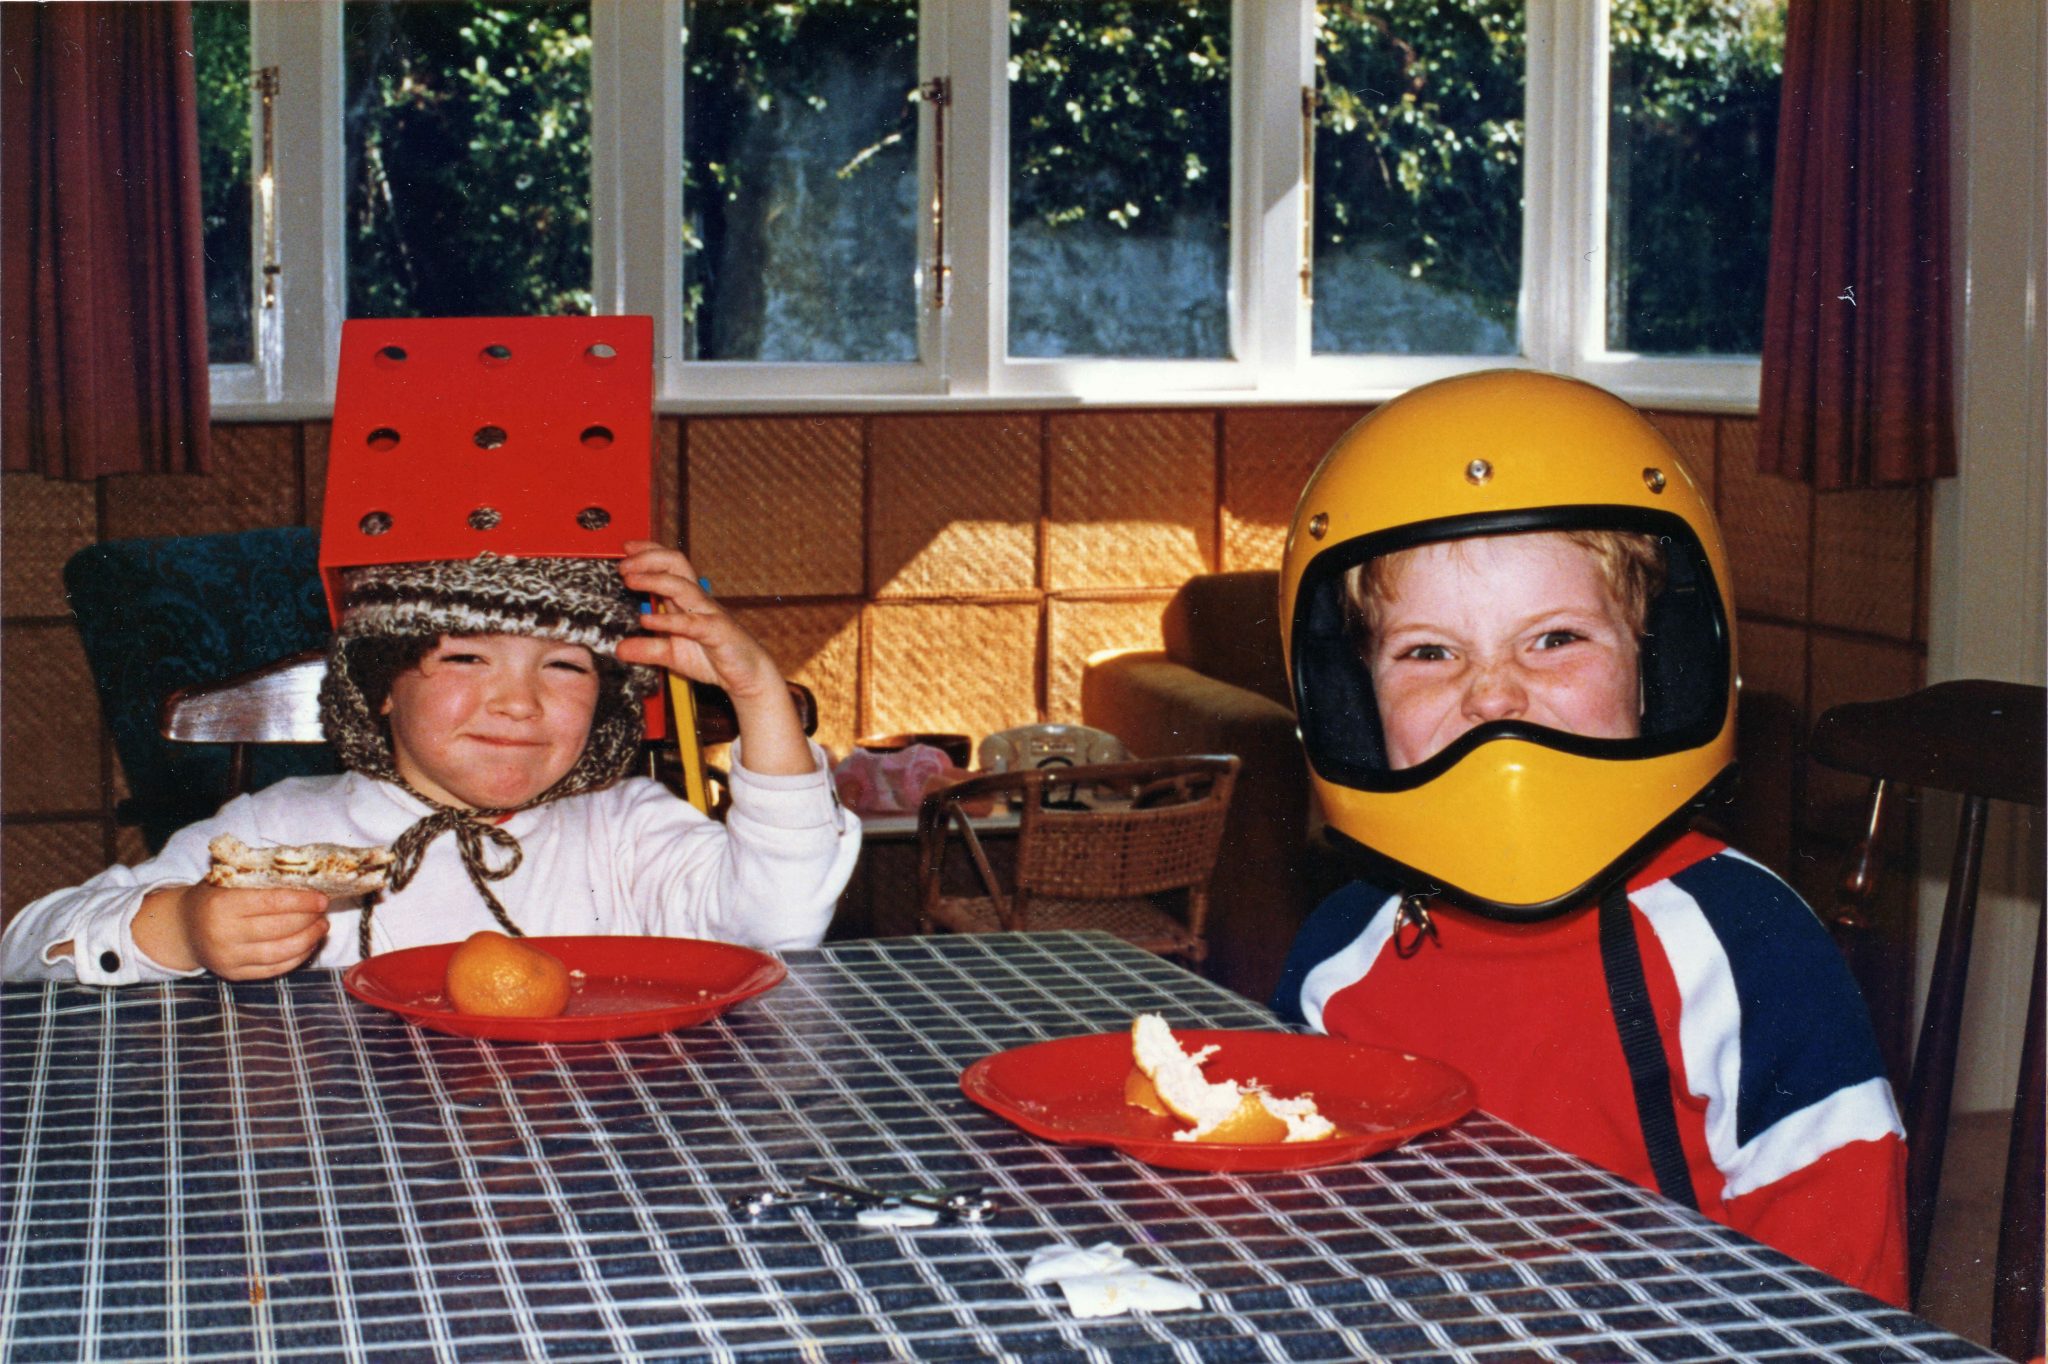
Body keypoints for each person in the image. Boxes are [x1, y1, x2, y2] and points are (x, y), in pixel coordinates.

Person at [1268, 370, 1908, 1305]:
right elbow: (1300, 1240)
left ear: (1659, 663)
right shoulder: (1339, 954)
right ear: (1353, 699)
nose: (1492, 695)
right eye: (1429, 652)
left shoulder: (1751, 949)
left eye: (1555, 638)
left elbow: (1844, 1303)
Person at [1, 541, 860, 984]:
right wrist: (183, 929)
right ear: (380, 687)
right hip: (339, 1174)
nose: (517, 702)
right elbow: (24, 952)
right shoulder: (281, 829)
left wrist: (758, 696)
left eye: (564, 666)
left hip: (586, 1167)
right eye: (465, 659)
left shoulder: (623, 827)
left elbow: (780, 923)